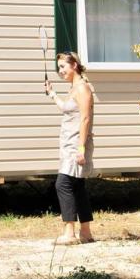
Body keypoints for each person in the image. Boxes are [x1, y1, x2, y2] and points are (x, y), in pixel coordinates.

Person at [45, 51, 95, 245]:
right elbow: (66, 109)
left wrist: (81, 148)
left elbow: (85, 118)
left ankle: (69, 233)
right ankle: (86, 233)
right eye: (59, 68)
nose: (60, 71)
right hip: (69, 144)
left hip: (76, 144)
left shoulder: (82, 88)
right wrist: (52, 94)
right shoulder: (74, 88)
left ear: (74, 65)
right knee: (77, 186)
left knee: (63, 184)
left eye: (63, 67)